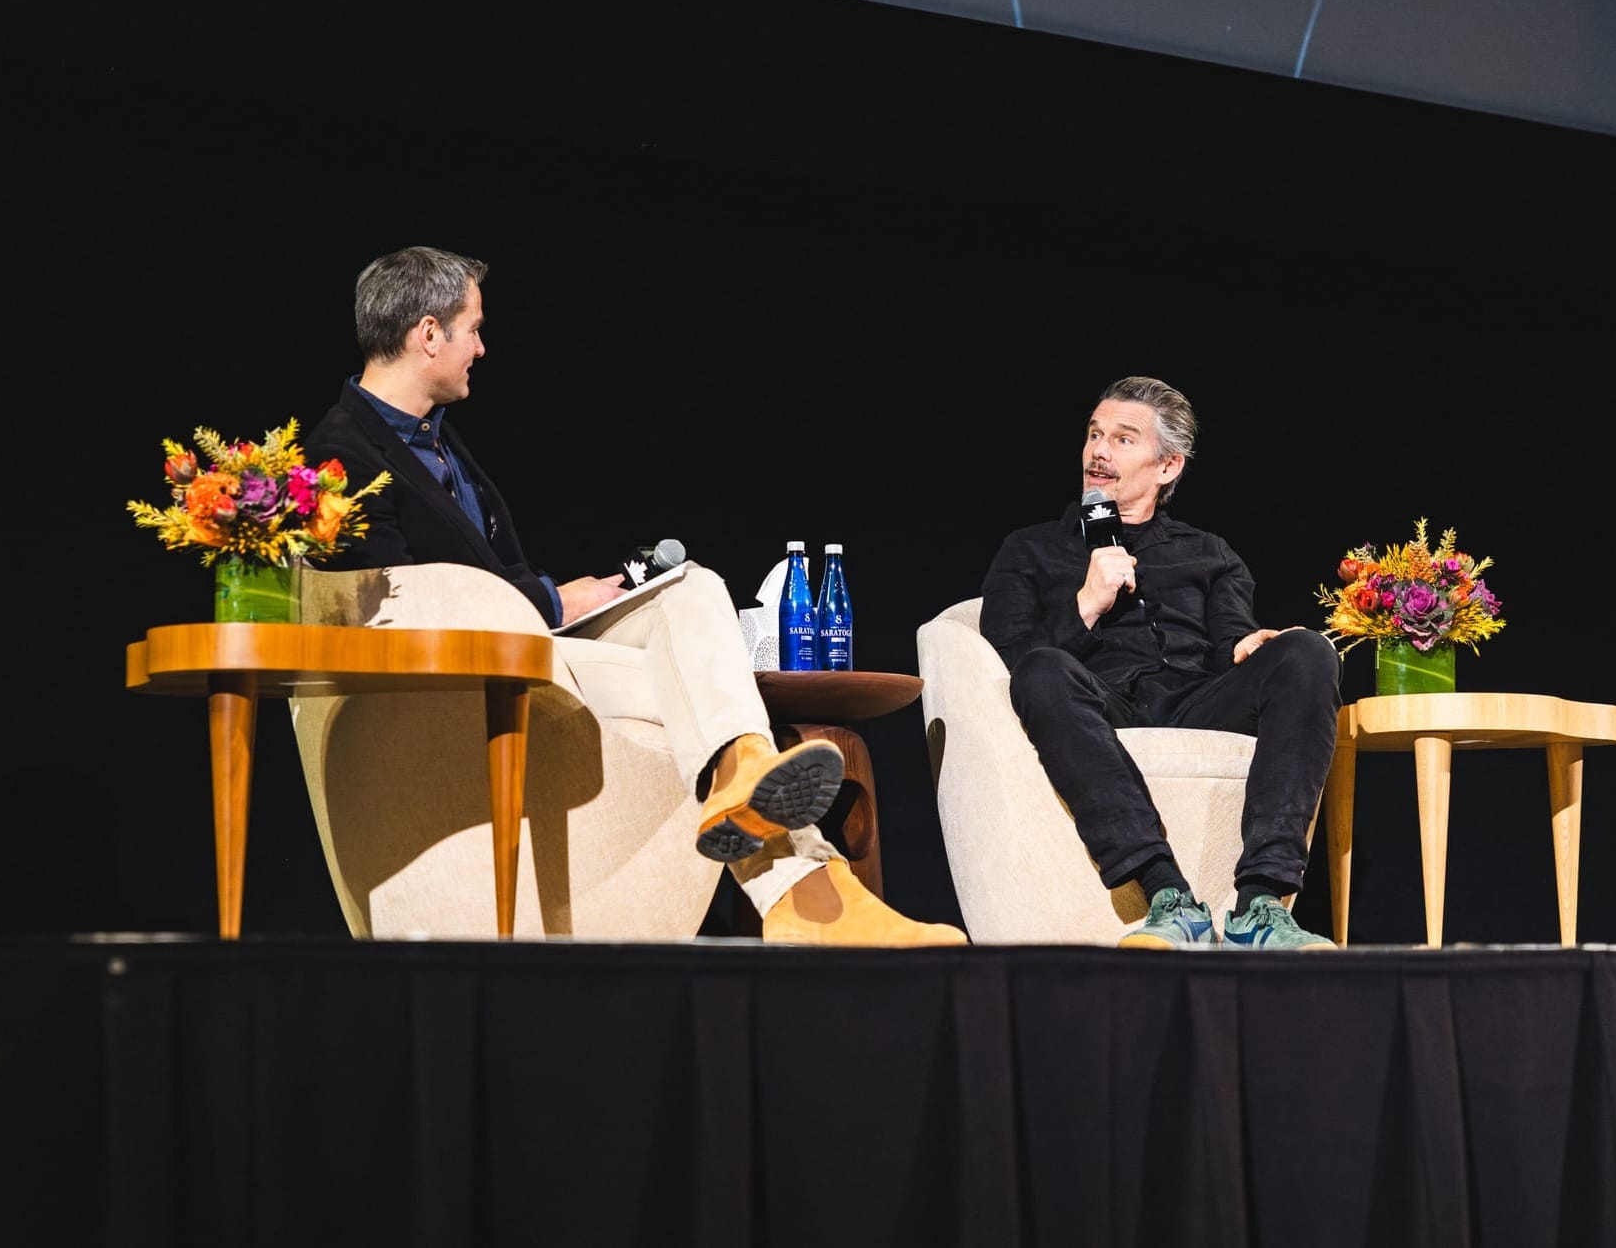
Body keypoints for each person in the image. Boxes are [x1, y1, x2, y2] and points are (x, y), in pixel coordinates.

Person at [304, 245, 966, 948]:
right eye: (473, 328)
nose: (482, 347)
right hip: (482, 677)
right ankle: (810, 895)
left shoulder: (439, 441)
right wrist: (553, 602)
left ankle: (747, 778)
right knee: (700, 698)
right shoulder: (339, 454)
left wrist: (564, 604)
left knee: (692, 587)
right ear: (428, 333)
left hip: (540, 647)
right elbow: (399, 602)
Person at [978, 375, 1341, 949]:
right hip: (1099, 705)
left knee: (1308, 651)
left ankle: (1261, 904)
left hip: (1197, 702)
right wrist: (1085, 604)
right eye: (1094, 434)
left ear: (1168, 466)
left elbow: (1232, 639)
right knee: (1044, 669)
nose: (1099, 452)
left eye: (1123, 439)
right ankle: (1167, 895)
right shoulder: (1029, 549)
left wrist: (1251, 647)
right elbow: (1010, 667)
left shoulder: (1210, 552)